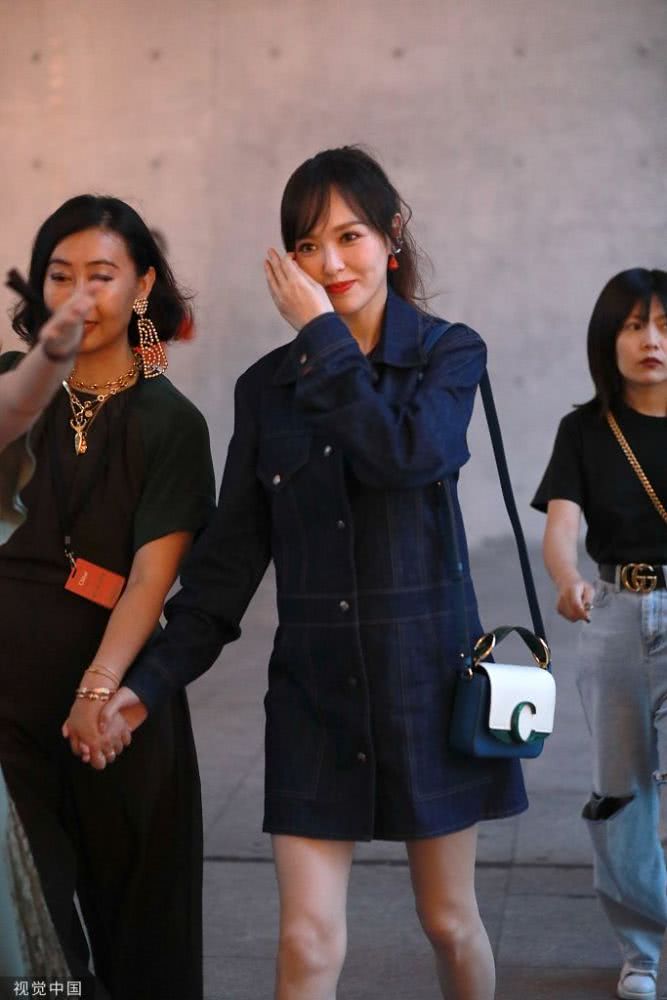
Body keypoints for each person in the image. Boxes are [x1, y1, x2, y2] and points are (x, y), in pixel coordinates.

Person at [102, 146, 527, 1000]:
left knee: (449, 921)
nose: (328, 263)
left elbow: (406, 457)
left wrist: (323, 337)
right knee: (306, 940)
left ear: (391, 236)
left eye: (348, 236)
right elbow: (225, 567)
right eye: (305, 245)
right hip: (314, 698)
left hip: (429, 689)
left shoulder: (449, 354)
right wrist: (145, 684)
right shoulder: (266, 389)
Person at [0, 195, 215, 1000]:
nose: (78, 294)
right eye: (60, 275)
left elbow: (151, 580)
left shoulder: (170, 421)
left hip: (118, 706)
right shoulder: (11, 390)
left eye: (101, 275)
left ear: (142, 285)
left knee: (145, 941)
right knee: (32, 944)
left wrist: (98, 692)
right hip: (7, 703)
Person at [533, 268, 667, 1000]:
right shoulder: (583, 430)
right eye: (634, 325)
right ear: (607, 339)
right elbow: (562, 527)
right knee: (619, 795)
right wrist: (567, 578)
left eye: (665, 326)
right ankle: (640, 951)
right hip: (613, 613)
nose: (651, 341)